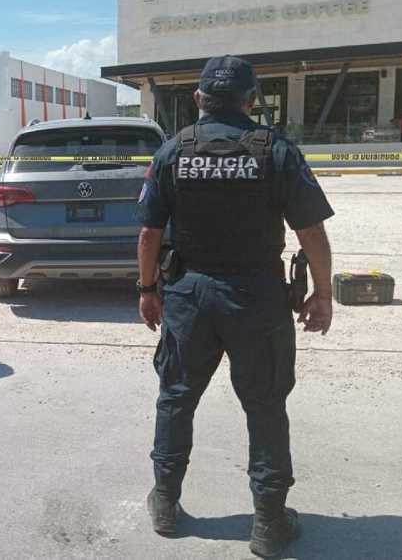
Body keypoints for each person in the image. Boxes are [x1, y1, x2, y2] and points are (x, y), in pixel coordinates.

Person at [136, 56, 335, 558]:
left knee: (176, 399)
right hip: (256, 297)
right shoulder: (275, 150)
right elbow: (309, 230)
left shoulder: (173, 151)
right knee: (265, 406)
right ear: (251, 100)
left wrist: (146, 289)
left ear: (200, 98)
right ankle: (268, 524)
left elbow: (148, 233)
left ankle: (165, 504)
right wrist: (323, 293)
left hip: (188, 295)